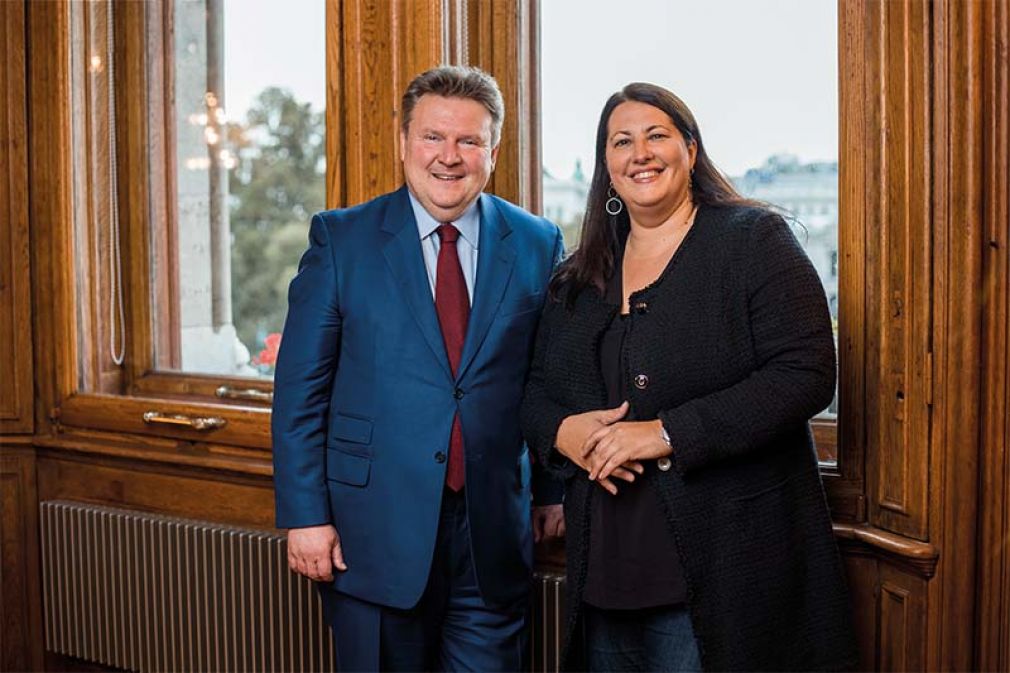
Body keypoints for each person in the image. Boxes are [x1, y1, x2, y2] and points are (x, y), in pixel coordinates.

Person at [520, 82, 858, 672]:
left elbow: (807, 372)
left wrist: (665, 433)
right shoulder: (581, 273)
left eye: (657, 135)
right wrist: (562, 434)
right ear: (606, 165)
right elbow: (534, 393)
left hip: (723, 567)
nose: (640, 153)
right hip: (605, 570)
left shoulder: (754, 241)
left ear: (692, 150)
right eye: (621, 141)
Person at [272, 65, 565, 672]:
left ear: (494, 149)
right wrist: (305, 515)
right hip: (370, 534)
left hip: (492, 534)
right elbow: (299, 393)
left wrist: (551, 488)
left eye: (469, 141)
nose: (449, 157)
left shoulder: (538, 241)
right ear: (404, 141)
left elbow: (548, 377)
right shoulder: (342, 240)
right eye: (433, 137)